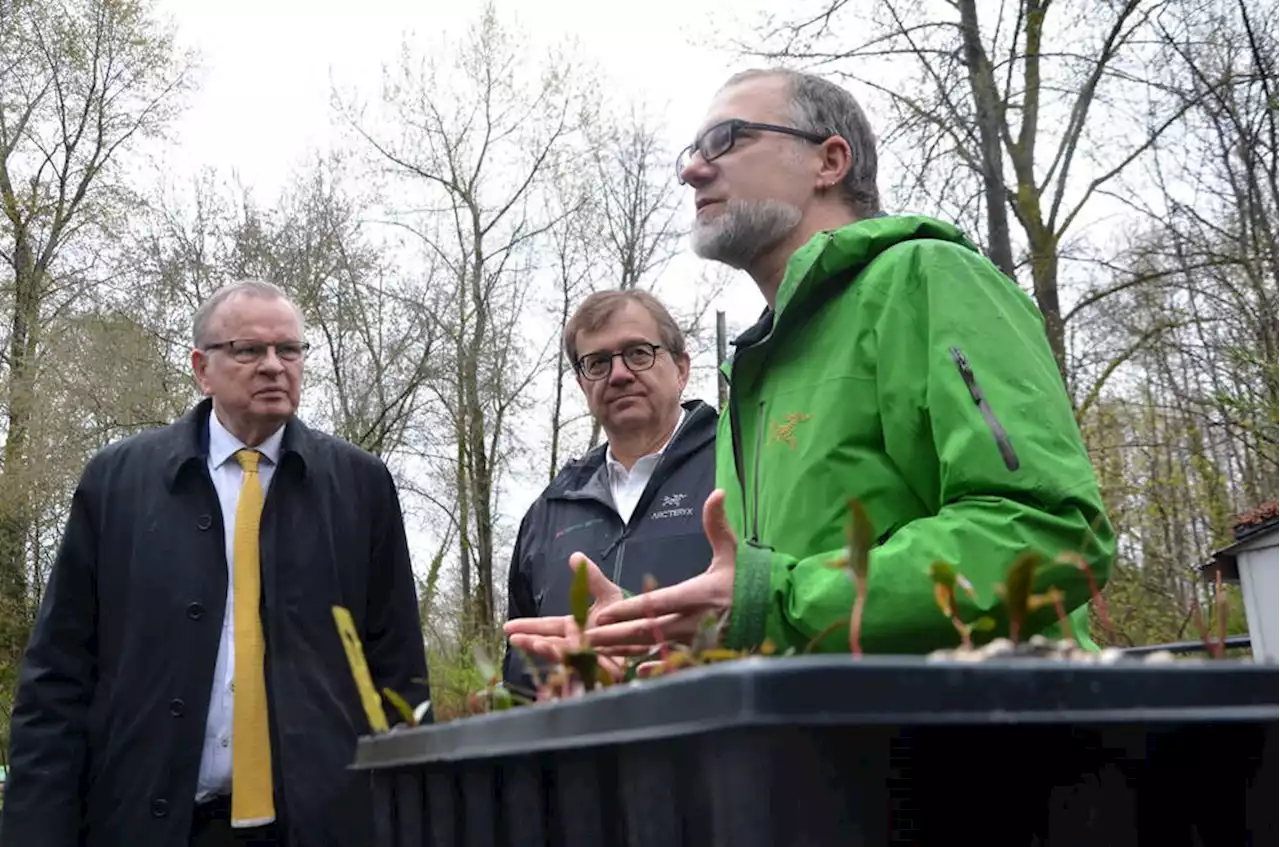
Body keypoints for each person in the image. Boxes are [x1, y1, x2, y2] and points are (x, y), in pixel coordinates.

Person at [506, 68, 1116, 663]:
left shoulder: (929, 279)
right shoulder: (753, 376)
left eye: (727, 139)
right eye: (691, 152)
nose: (693, 169)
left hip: (982, 746)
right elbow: (776, 615)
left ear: (829, 161)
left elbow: (1051, 535)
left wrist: (768, 602)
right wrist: (671, 650)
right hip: (827, 755)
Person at [1, 280, 431, 847]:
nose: (274, 366)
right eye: (249, 350)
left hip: (319, 825)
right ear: (203, 368)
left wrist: (412, 820)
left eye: (290, 350)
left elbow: (398, 673)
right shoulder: (118, 483)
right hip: (147, 820)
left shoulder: (361, 486)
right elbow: (57, 678)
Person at [500, 289, 719, 692]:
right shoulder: (548, 512)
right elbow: (520, 671)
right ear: (583, 385)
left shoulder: (739, 469)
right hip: (576, 751)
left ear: (682, 370)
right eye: (597, 363)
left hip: (713, 748)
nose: (618, 374)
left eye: (638, 353)